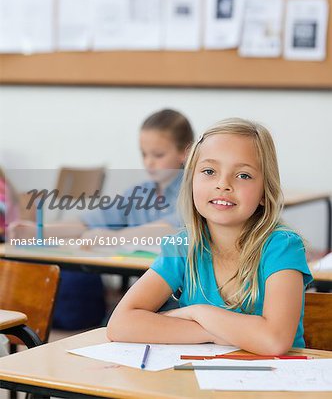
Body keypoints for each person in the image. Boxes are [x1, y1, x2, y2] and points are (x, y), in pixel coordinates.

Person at [107, 117, 313, 355]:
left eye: (243, 175)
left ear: (265, 192)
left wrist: (198, 313)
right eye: (209, 171)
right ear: (191, 181)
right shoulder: (184, 246)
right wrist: (211, 334)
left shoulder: (282, 246)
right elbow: (121, 324)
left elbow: (274, 341)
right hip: (201, 381)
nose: (223, 184)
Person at [8, 109, 194, 330]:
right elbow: (89, 221)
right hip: (145, 295)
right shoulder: (140, 192)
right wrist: (39, 231)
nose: (148, 162)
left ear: (184, 152)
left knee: (113, 324)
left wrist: (113, 237)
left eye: (158, 155)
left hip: (180, 299)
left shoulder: (194, 189)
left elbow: (171, 227)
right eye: (144, 154)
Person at [0, 167, 19, 242]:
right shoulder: (6, 184)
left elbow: (3, 208)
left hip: (6, 235)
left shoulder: (1, 185)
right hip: (11, 233)